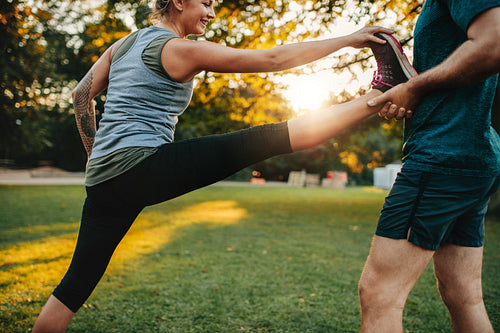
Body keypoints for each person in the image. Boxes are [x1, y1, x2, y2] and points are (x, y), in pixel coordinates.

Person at [32, 1, 414, 332]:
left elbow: (82, 94)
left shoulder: (123, 44)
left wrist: (94, 156)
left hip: (103, 181)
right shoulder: (178, 49)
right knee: (263, 140)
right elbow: (273, 59)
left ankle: (379, 94)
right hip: (141, 166)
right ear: (179, 1)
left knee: (75, 286)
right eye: (206, 3)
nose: (211, 13)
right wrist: (351, 38)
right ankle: (380, 95)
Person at [359, 1, 500, 332]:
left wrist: (414, 87)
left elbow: (493, 44)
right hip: (475, 155)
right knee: (464, 296)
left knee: (380, 295)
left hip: (441, 158)